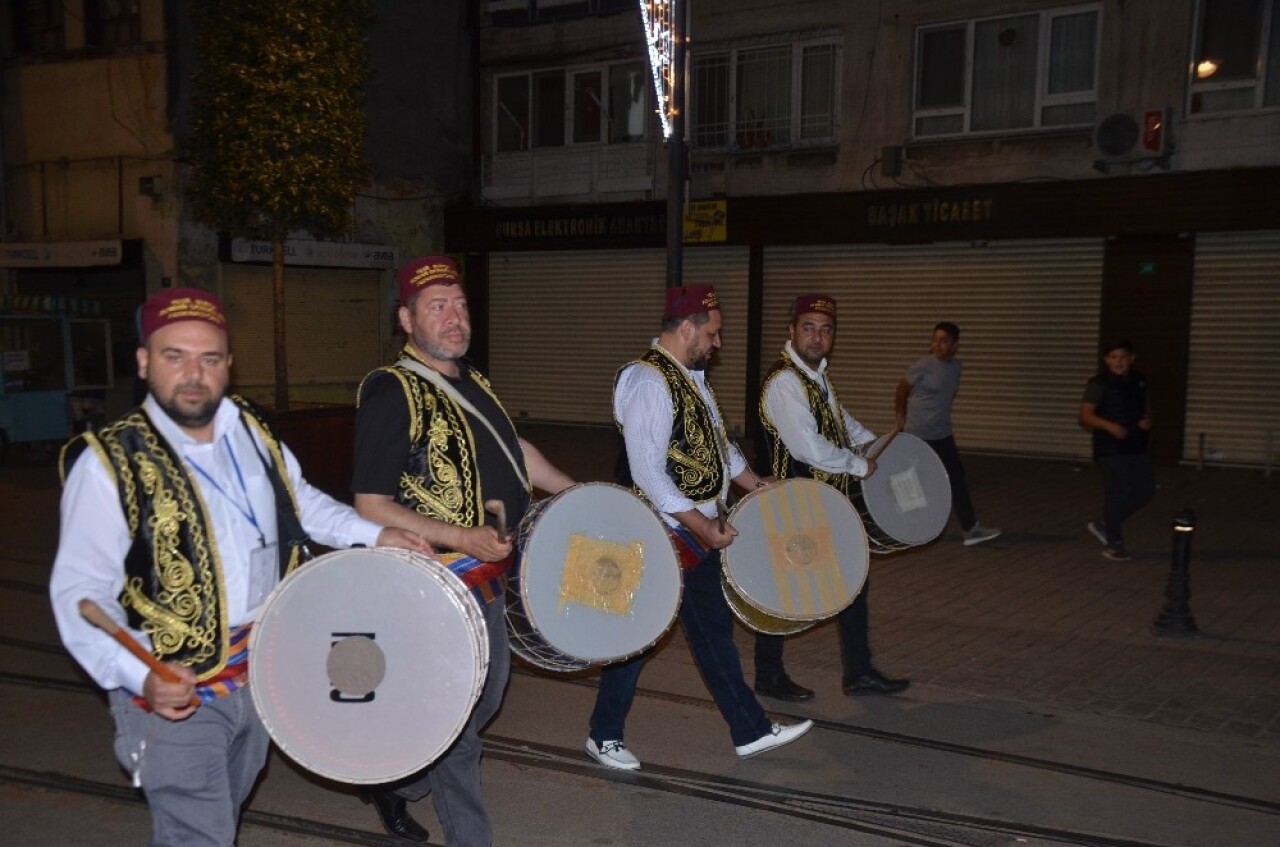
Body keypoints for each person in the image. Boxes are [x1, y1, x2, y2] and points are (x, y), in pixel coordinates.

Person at [48, 287, 431, 847]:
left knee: (221, 821)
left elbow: (300, 502)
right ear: (143, 361)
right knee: (196, 833)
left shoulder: (250, 429)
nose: (193, 373)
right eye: (174, 355)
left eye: (209, 358)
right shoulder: (110, 462)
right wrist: (140, 675)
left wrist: (375, 532)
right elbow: (78, 594)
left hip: (262, 666)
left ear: (229, 364)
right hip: (173, 688)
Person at [351, 255, 574, 845]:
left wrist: (576, 493)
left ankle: (394, 781)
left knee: (488, 693)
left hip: (486, 576)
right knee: (458, 720)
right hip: (433, 583)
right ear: (406, 319)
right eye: (437, 307)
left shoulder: (471, 380)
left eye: (460, 304)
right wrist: (462, 537)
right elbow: (370, 505)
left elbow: (514, 449)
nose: (454, 318)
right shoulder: (390, 393)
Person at [585, 283, 813, 772]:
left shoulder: (691, 377)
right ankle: (603, 734)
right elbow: (647, 471)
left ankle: (750, 730)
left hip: (694, 531)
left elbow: (717, 446)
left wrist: (754, 484)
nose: (718, 342)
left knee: (711, 634)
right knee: (637, 637)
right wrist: (701, 526)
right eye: (712, 333)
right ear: (685, 329)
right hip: (655, 534)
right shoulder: (648, 381)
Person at [753, 294, 909, 702]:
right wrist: (859, 466)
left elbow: (840, 422)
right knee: (784, 587)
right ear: (791, 330)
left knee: (852, 581)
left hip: (823, 500)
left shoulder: (816, 376)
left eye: (825, 329)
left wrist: (872, 443)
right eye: (808, 327)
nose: (817, 337)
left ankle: (858, 671)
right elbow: (807, 446)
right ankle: (769, 674)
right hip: (794, 502)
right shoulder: (785, 381)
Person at [895, 322, 1001, 546]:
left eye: (943, 341)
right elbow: (902, 389)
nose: (937, 345)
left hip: (942, 434)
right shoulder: (923, 366)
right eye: (935, 340)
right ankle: (906, 529)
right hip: (919, 434)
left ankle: (970, 529)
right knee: (913, 483)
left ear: (954, 345)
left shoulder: (955, 367)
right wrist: (900, 417)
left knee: (956, 479)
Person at [1078, 337, 1155, 562]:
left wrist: (1148, 421)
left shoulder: (1140, 381)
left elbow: (1147, 409)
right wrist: (1109, 426)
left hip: (1136, 445)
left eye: (1123, 357)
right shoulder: (1099, 384)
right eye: (1113, 357)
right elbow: (1085, 415)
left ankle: (1106, 524)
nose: (1118, 361)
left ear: (1132, 359)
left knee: (1146, 490)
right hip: (1110, 448)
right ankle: (1115, 543)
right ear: (1106, 360)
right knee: (1117, 493)